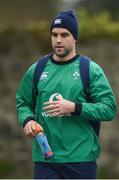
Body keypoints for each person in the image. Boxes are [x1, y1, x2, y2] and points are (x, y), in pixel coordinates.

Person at [16, 10, 116, 179]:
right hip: (46, 159)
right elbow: (23, 102)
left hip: (81, 159)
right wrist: (28, 120)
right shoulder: (37, 69)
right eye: (54, 35)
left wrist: (74, 107)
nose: (58, 40)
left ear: (75, 37)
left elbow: (109, 109)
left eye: (65, 34)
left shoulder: (90, 69)